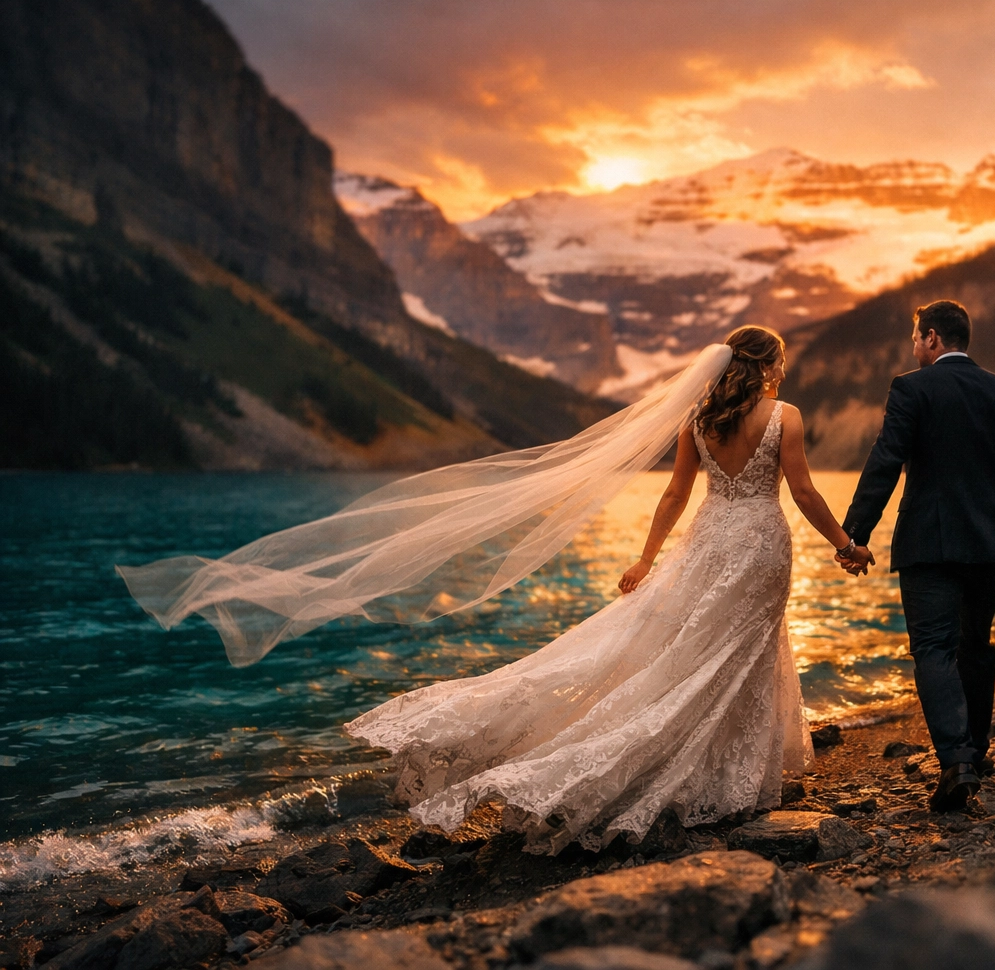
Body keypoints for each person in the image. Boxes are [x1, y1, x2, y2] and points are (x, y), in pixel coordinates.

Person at [340, 326, 859, 852]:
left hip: (709, 537)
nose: (783, 371)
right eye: (782, 362)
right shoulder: (785, 416)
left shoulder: (699, 421)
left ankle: (710, 771)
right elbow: (804, 492)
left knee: (692, 651)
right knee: (739, 654)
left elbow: (676, 495)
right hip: (761, 543)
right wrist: (846, 544)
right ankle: (728, 777)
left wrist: (646, 558)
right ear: (767, 366)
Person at [838, 300, 995, 812]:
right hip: (992, 543)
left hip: (929, 545)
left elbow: (885, 461)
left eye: (916, 338)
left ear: (932, 338)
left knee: (934, 648)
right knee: (975, 647)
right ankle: (974, 756)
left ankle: (956, 763)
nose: (914, 347)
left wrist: (855, 533)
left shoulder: (912, 388)